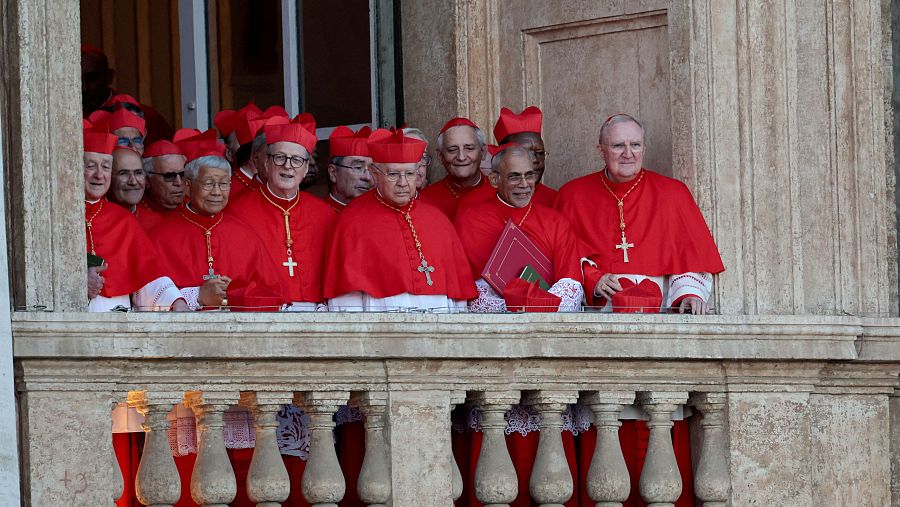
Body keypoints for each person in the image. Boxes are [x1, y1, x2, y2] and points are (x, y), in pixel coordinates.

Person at [556, 113, 725, 314]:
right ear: (601, 151)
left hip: (659, 314)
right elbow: (562, 258)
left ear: (644, 149)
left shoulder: (673, 193)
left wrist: (690, 295)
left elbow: (689, 255)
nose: (628, 153)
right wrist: (594, 279)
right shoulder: (573, 195)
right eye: (618, 146)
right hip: (596, 315)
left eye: (635, 145)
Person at [324, 129, 476, 311]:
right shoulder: (352, 220)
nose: (403, 183)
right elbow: (345, 300)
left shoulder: (438, 220)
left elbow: (458, 295)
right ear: (374, 173)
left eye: (410, 174)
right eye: (393, 174)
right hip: (381, 330)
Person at [150, 139, 286, 311]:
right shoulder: (160, 237)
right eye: (208, 183)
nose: (216, 192)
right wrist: (198, 295)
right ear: (187, 186)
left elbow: (274, 297)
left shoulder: (245, 236)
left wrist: (238, 292)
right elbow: (145, 298)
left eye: (223, 184)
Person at [456, 144, 584, 312]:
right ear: (495, 180)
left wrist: (539, 306)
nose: (524, 184)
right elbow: (466, 285)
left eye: (529, 175)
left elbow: (571, 283)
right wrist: (510, 307)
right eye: (514, 177)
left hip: (548, 324)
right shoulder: (470, 221)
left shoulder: (555, 222)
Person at [227, 114, 336, 311]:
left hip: (320, 317)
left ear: (305, 170)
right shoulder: (236, 211)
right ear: (266, 163)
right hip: (264, 315)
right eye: (280, 157)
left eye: (297, 160)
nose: (288, 166)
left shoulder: (325, 214)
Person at [81, 121, 186, 312]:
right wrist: (78, 281)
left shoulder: (123, 219)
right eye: (90, 166)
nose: (99, 175)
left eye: (105, 167)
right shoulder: (57, 219)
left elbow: (148, 276)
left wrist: (176, 302)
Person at [81, 45, 174, 143]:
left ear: (109, 77)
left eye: (91, 78)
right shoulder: (68, 117)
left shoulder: (149, 118)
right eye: (77, 79)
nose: (84, 88)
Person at [419, 117, 494, 220]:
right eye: (452, 150)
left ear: (483, 152)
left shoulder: (500, 192)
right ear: (440, 156)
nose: (461, 157)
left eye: (469, 148)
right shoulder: (425, 200)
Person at [493, 106, 558, 207]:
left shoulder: (555, 199)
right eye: (524, 154)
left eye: (540, 153)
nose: (535, 160)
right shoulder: (477, 201)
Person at [108, 147, 164, 232]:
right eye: (123, 174)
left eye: (138, 173)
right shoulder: (94, 221)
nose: (133, 182)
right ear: (108, 177)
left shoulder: (156, 223)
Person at [326, 125, 373, 212]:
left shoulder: (379, 215)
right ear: (333, 173)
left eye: (371, 170)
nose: (367, 177)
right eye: (358, 168)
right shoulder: (316, 215)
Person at [142, 140, 187, 216]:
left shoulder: (194, 208)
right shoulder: (134, 212)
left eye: (182, 174)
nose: (179, 183)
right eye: (169, 176)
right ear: (147, 180)